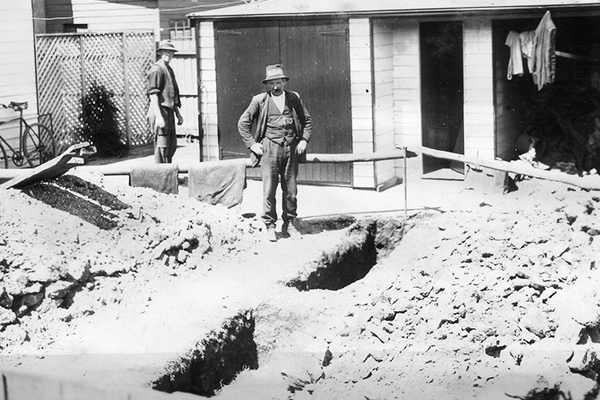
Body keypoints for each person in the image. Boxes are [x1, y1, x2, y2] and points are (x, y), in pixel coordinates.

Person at [238, 64, 313, 242]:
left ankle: (290, 224)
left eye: (278, 82)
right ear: (267, 84)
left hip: (291, 149)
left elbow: (307, 121)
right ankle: (270, 225)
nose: (275, 86)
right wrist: (252, 144)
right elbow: (243, 123)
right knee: (269, 190)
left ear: (284, 82)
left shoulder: (294, 98)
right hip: (269, 150)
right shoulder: (260, 100)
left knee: (291, 190)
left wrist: (303, 140)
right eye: (271, 83)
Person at [147, 39, 183, 163]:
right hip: (160, 111)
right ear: (160, 53)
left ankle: (169, 175)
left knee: (171, 146)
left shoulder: (168, 69)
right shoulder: (157, 69)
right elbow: (153, 95)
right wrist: (159, 116)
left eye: (170, 51)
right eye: (165, 51)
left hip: (168, 111)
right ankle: (161, 177)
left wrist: (177, 113)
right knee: (162, 146)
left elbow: (170, 94)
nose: (168, 54)